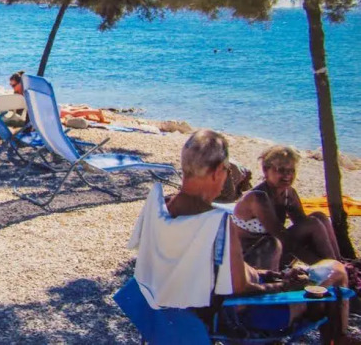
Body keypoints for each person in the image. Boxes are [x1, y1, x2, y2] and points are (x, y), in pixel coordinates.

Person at [136, 130, 353, 342]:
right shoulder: (218, 224)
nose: (227, 178)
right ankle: (338, 337)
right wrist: (285, 286)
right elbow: (241, 290)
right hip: (243, 315)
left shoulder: (161, 210)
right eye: (227, 171)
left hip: (179, 313)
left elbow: (225, 274)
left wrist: (274, 275)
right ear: (217, 172)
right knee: (336, 271)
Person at [233, 145, 342, 266]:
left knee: (320, 217)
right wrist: (318, 264)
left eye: (291, 171)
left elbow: (304, 227)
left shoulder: (288, 193)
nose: (287, 175)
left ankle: (339, 264)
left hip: (274, 251)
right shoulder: (257, 198)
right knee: (313, 223)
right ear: (265, 170)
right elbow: (283, 238)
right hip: (252, 259)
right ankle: (334, 268)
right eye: (281, 170)